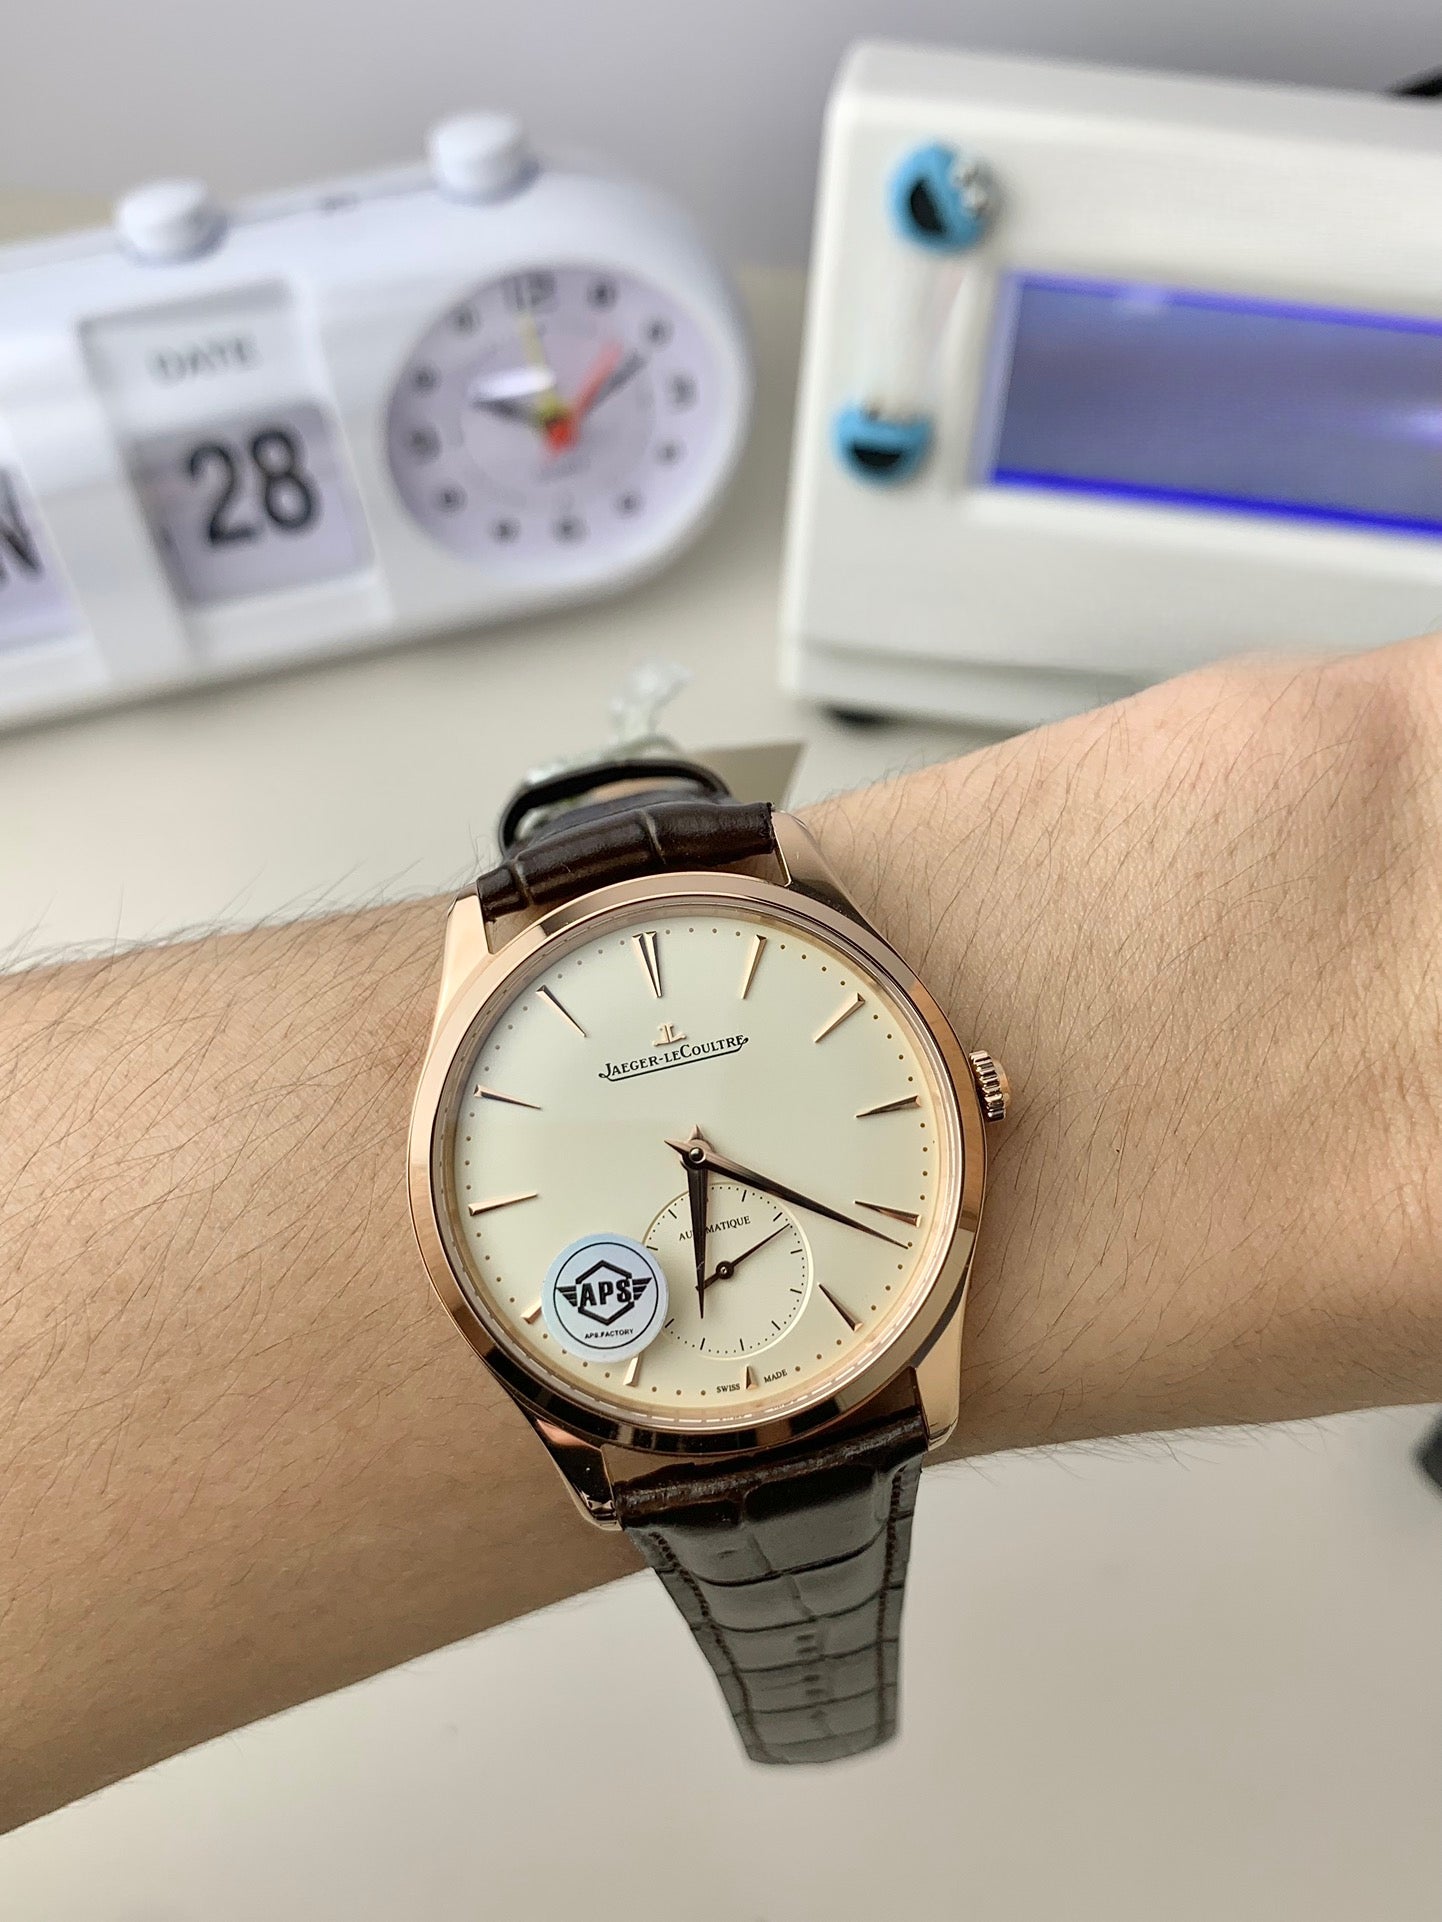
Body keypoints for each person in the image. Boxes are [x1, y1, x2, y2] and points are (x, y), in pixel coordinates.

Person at [2, 637, 1439, 1834]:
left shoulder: (828, 986)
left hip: (848, 1337)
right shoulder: (488, 1071)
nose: (696, 1154)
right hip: (735, 1372)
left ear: (972, 1086)